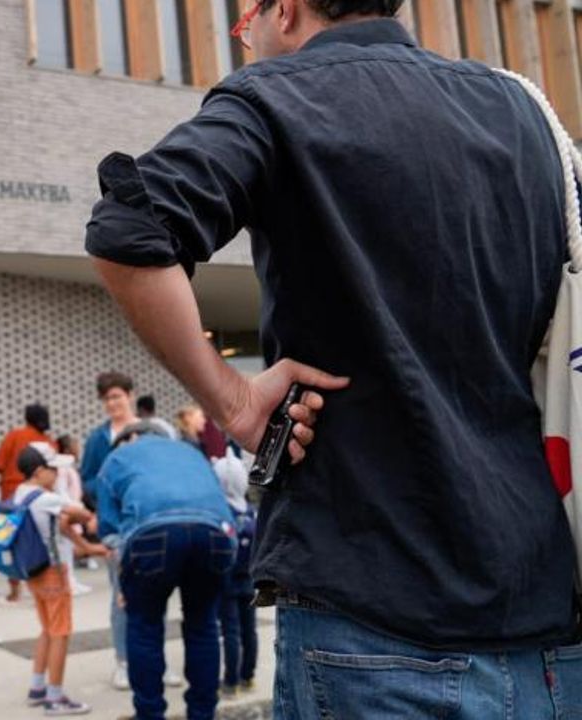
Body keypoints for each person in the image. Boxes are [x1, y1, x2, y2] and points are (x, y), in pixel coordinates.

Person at [86, 0, 578, 715]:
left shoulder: (275, 99)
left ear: (283, 9)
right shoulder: (522, 110)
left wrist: (232, 398)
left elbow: (130, 226)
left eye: (243, 18)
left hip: (370, 608)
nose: (244, 37)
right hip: (547, 613)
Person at [95, 424, 236, 720]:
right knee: (203, 624)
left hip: (151, 535)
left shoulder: (118, 457)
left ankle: (149, 713)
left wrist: (124, 580)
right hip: (216, 535)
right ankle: (202, 713)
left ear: (130, 438)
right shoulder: (192, 452)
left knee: (145, 627)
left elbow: (108, 530)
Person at [14, 443, 109, 716]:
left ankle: (37, 687)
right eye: (53, 469)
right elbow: (78, 514)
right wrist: (90, 518)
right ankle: (54, 697)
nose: (57, 474)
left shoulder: (19, 494)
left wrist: (88, 548)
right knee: (61, 633)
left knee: (47, 629)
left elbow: (63, 525)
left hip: (33, 573)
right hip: (53, 573)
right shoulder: (45, 498)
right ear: (39, 471)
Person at [77, 372, 139, 689]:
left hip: (147, 521)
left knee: (156, 595)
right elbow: (85, 477)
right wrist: (105, 490)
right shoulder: (98, 439)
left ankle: (153, 659)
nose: (113, 403)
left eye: (118, 396)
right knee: (121, 595)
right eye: (108, 399)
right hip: (116, 526)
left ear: (130, 395)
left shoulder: (148, 431)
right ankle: (123, 661)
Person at [0, 404, 54, 602]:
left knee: (10, 543)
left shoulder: (14, 436)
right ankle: (41, 587)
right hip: (40, 500)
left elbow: (0, 465)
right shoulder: (48, 442)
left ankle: (15, 590)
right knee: (41, 542)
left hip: (11, 496)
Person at [214, 456, 257, 698]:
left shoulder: (223, 512)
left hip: (226, 579)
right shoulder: (251, 511)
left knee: (231, 630)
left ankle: (230, 681)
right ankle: (248, 676)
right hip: (249, 578)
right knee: (249, 630)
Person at [53, 435, 90, 596]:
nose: (78, 448)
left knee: (68, 549)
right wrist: (76, 506)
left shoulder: (69, 466)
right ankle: (66, 582)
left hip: (72, 510)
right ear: (67, 449)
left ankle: (71, 580)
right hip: (68, 512)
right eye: (75, 445)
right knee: (64, 549)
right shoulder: (63, 467)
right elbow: (61, 491)